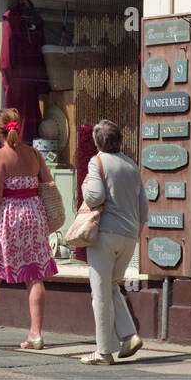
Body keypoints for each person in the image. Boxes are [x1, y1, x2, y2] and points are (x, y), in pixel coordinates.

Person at [0, 108, 57, 349]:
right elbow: (48, 183)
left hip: (8, 218)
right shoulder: (35, 154)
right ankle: (36, 334)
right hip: (34, 216)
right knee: (34, 275)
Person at [80, 119, 149, 364]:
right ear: (120, 139)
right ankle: (129, 335)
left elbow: (95, 196)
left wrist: (84, 186)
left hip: (105, 234)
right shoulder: (132, 165)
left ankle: (103, 351)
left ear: (98, 142)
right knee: (111, 287)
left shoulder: (96, 161)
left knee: (99, 292)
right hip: (129, 236)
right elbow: (143, 210)